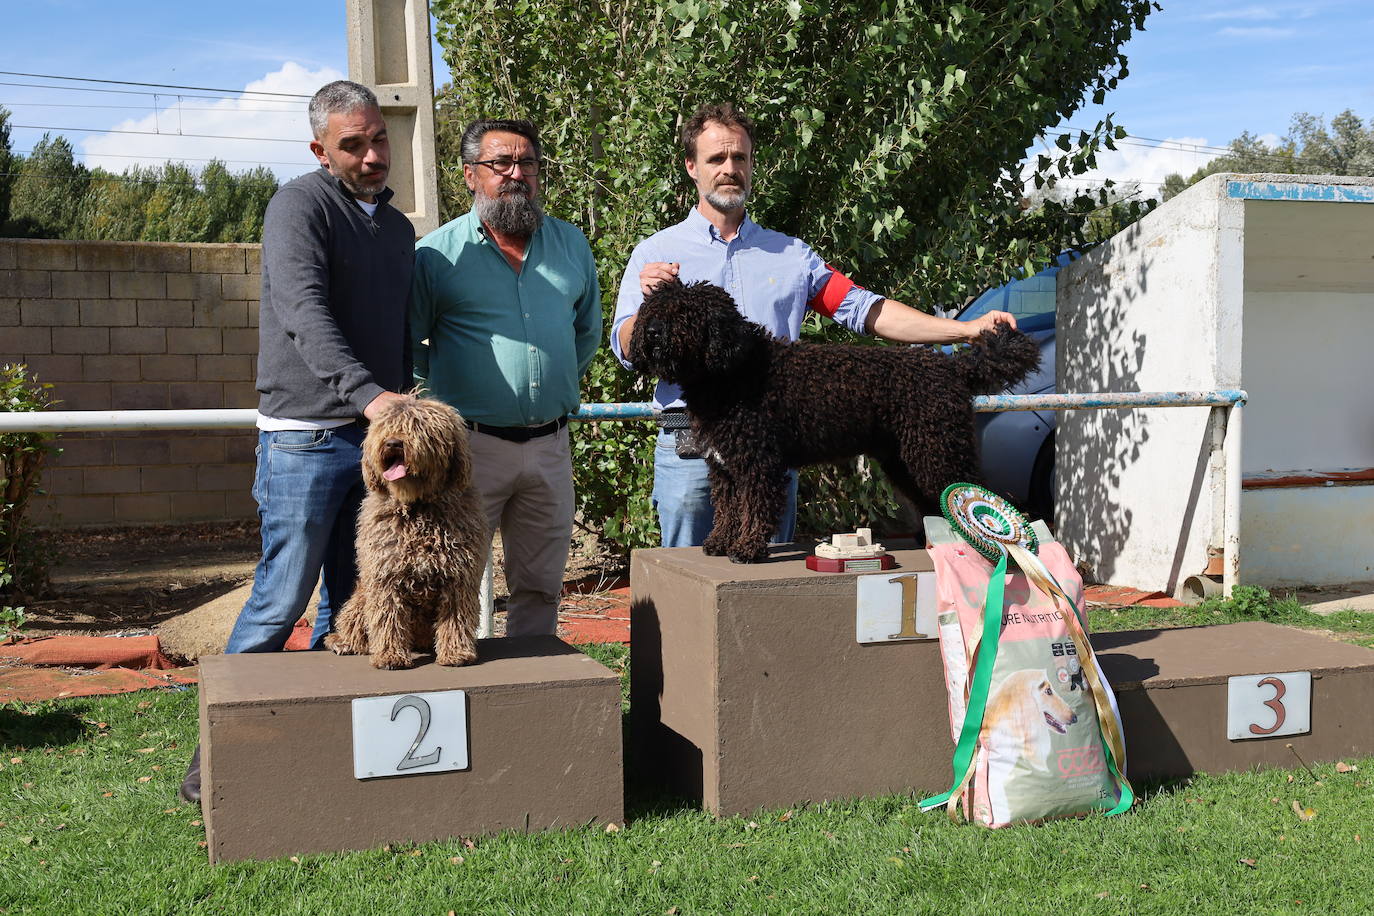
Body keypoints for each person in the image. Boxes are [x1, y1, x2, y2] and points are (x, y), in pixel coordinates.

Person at [611, 103, 1017, 548]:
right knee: (689, 585)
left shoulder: (791, 255)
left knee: (767, 580)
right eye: (716, 159)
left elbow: (865, 310)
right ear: (692, 167)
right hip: (688, 441)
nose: (730, 169)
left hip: (769, 440)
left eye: (740, 158)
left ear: (751, 164)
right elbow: (626, 348)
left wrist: (966, 330)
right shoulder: (654, 252)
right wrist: (651, 310)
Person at [179, 80, 415, 804]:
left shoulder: (398, 227)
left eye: (378, 138)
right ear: (320, 149)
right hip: (307, 440)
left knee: (358, 601)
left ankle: (322, 747)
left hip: (376, 444)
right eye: (354, 144)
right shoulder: (298, 207)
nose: (373, 153)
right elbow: (303, 314)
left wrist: (399, 402)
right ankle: (211, 758)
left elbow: (399, 330)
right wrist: (370, 394)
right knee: (282, 598)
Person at [410, 118, 601, 638]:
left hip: (550, 446)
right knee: (451, 583)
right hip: (469, 451)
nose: (516, 174)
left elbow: (586, 335)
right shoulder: (436, 255)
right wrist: (443, 412)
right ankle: (455, 689)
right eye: (501, 163)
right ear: (471, 175)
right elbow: (409, 352)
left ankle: (529, 693)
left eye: (527, 163)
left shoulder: (570, 245)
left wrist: (550, 388)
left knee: (540, 584)